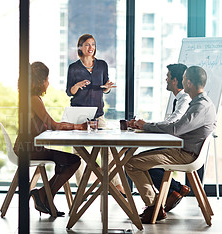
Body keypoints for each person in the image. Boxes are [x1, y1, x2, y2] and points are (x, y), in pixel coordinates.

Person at [125, 65, 217, 224]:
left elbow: (175, 128)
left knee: (132, 163)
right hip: (185, 151)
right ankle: (155, 205)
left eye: (183, 79)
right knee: (136, 160)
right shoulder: (201, 102)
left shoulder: (200, 106)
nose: (181, 81)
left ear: (188, 83)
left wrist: (146, 126)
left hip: (186, 155)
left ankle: (154, 206)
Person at [14, 61, 86, 217]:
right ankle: (43, 195)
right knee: (74, 161)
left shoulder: (30, 98)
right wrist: (78, 127)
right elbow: (53, 125)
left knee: (66, 161)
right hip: (29, 150)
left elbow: (47, 125)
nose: (48, 82)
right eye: (47, 79)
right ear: (40, 81)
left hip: (30, 147)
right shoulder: (34, 99)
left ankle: (44, 195)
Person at [127, 63, 192, 212]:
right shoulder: (178, 99)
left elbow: (172, 122)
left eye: (168, 77)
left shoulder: (184, 99)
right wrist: (145, 125)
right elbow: (170, 123)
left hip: (181, 149)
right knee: (142, 160)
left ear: (175, 80)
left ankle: (156, 203)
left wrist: (145, 125)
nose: (166, 80)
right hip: (178, 145)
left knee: (136, 162)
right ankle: (173, 190)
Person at [65, 34, 125, 194]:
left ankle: (116, 185)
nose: (90, 47)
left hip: (98, 114)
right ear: (80, 47)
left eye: (93, 44)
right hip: (78, 114)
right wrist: (76, 86)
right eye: (86, 45)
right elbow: (69, 92)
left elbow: (104, 88)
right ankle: (82, 188)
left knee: (109, 148)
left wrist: (107, 87)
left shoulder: (102, 65)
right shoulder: (73, 68)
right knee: (78, 152)